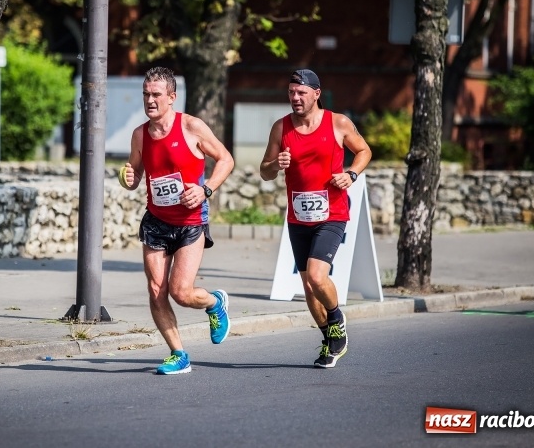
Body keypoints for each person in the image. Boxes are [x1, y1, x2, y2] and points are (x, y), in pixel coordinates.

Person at [119, 66, 235, 374]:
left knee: (181, 291)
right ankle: (178, 353)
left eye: (156, 95)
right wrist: (128, 177)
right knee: (156, 290)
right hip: (156, 220)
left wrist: (205, 188)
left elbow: (226, 159)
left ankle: (214, 303)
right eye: (146, 94)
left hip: (189, 221)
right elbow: (134, 176)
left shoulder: (192, 127)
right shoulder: (140, 134)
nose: (150, 100)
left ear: (172, 97)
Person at [260, 69, 372, 368]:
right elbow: (265, 171)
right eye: (291, 93)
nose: (295, 98)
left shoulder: (338, 122)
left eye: (301, 93)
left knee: (317, 276)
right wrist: (276, 164)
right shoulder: (280, 128)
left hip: (332, 213)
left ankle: (336, 320)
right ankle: (329, 338)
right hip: (298, 217)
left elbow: (363, 151)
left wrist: (351, 174)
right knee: (308, 286)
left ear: (316, 93)